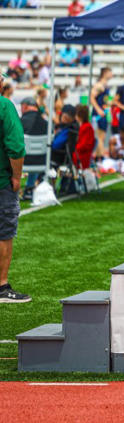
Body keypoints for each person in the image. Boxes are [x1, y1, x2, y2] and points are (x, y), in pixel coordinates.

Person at [0, 85, 29, 303]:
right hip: (2, 182)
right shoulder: (5, 105)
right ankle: (2, 286)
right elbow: (16, 147)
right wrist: (17, 177)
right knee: (4, 233)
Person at [89, 67, 112, 160]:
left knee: (102, 136)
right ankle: (100, 156)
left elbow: (103, 99)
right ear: (105, 73)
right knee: (99, 136)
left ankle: (99, 156)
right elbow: (91, 97)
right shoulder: (99, 85)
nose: (112, 74)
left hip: (104, 114)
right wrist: (98, 109)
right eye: (110, 72)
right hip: (98, 115)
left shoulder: (105, 85)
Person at [73, 104, 95, 169]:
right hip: (82, 153)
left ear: (80, 116)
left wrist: (75, 148)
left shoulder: (86, 127)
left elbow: (84, 144)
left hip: (83, 155)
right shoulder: (84, 126)